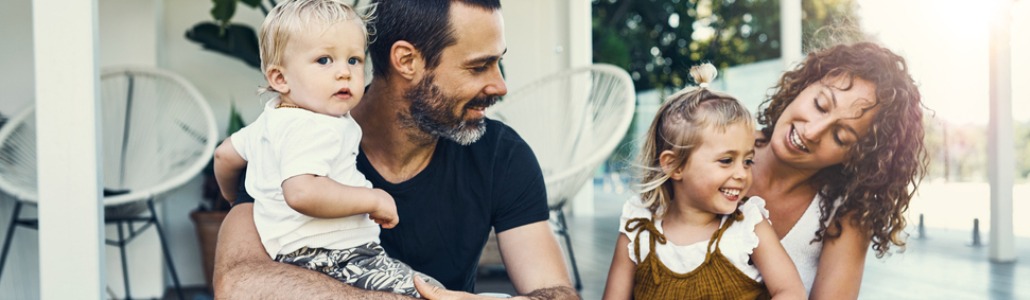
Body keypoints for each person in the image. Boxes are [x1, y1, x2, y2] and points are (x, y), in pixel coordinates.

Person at [211, 0, 578, 299]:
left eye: (499, 63)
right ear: (406, 61)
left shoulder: (500, 153)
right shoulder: (292, 137)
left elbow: (556, 293)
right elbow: (239, 284)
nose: (500, 85)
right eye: (479, 66)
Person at [210, 0, 444, 297]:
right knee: (430, 292)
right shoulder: (317, 126)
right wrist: (373, 199)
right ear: (279, 78)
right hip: (338, 256)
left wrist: (233, 199)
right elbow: (303, 193)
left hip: (289, 257)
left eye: (354, 60)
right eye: (324, 60)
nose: (344, 73)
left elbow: (224, 155)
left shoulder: (270, 121)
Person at [603, 64, 806, 300]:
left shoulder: (748, 225)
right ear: (675, 165)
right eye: (727, 160)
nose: (742, 173)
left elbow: (791, 292)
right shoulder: (638, 227)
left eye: (748, 161)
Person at [748, 42, 927, 299]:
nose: (811, 132)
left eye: (840, 137)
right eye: (820, 105)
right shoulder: (713, 146)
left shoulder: (844, 216)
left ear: (856, 157)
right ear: (804, 85)